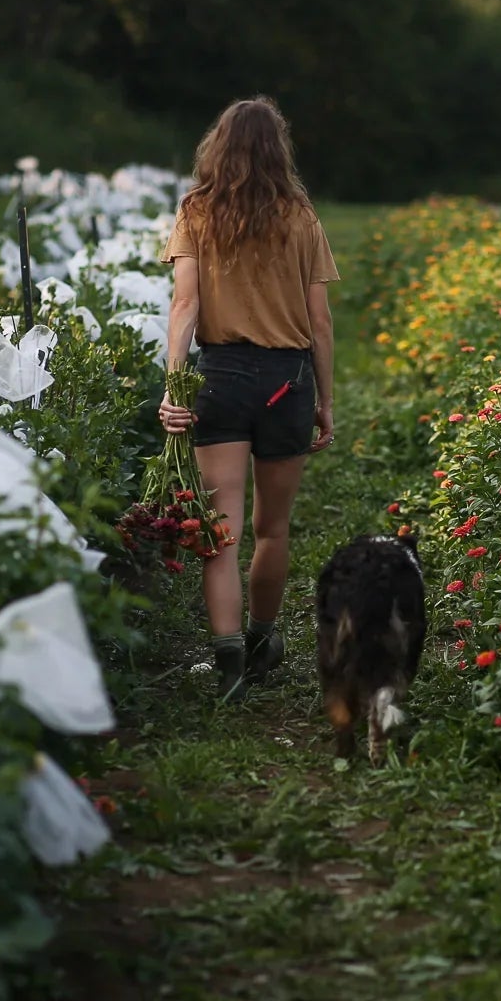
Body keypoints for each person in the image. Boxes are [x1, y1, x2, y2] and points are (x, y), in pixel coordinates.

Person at [158, 96, 338, 702]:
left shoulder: (195, 214)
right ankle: (264, 640)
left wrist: (174, 386)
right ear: (276, 150)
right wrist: (325, 399)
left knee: (221, 530)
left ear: (218, 148)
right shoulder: (301, 218)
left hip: (222, 377)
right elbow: (320, 320)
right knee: (273, 530)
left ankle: (228, 660)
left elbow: (185, 306)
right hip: (288, 380)